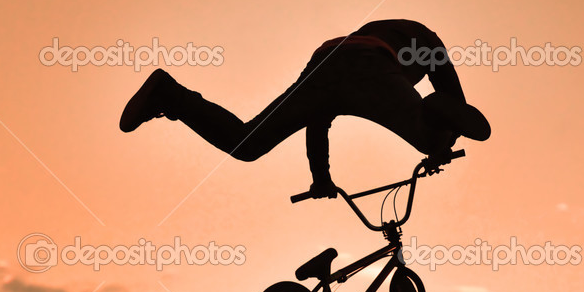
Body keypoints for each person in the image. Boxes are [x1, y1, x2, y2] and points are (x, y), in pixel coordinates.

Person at [119, 19, 490, 197]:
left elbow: (318, 120)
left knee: (246, 144)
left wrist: (321, 177)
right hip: (368, 61)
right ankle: (434, 120)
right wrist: (442, 146)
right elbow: (458, 104)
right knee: (434, 138)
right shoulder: (421, 40)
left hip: (323, 63)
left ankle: (170, 94)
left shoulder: (378, 34)